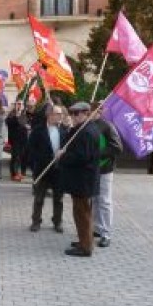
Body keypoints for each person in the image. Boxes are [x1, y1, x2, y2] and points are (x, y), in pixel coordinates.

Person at [58, 102, 101, 258]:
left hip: (83, 180)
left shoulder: (88, 132)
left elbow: (82, 157)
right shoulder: (80, 130)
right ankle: (84, 240)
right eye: (72, 114)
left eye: (77, 114)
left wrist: (63, 156)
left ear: (86, 113)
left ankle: (86, 247)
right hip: (80, 180)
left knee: (82, 213)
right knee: (81, 212)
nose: (74, 117)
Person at [28, 104, 67, 233]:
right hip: (42, 169)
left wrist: (63, 154)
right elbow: (31, 150)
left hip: (59, 170)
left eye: (61, 114)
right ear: (50, 115)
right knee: (39, 198)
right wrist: (41, 161)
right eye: (58, 114)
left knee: (58, 198)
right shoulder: (38, 130)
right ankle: (36, 221)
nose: (61, 116)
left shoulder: (64, 130)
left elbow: (68, 147)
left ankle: (57, 221)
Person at [91, 102, 123, 248]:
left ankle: (106, 233)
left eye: (95, 110)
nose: (92, 113)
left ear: (100, 111)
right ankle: (97, 228)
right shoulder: (88, 126)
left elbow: (117, 147)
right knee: (95, 200)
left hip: (105, 169)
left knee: (104, 201)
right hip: (92, 169)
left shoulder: (108, 126)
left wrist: (97, 154)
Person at [5, 101, 29, 181]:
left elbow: (24, 123)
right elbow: (8, 123)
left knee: (21, 156)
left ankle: (18, 172)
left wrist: (27, 126)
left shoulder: (24, 114)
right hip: (15, 139)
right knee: (15, 156)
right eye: (18, 104)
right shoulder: (12, 114)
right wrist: (16, 116)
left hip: (23, 138)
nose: (19, 105)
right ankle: (14, 174)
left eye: (21, 104)